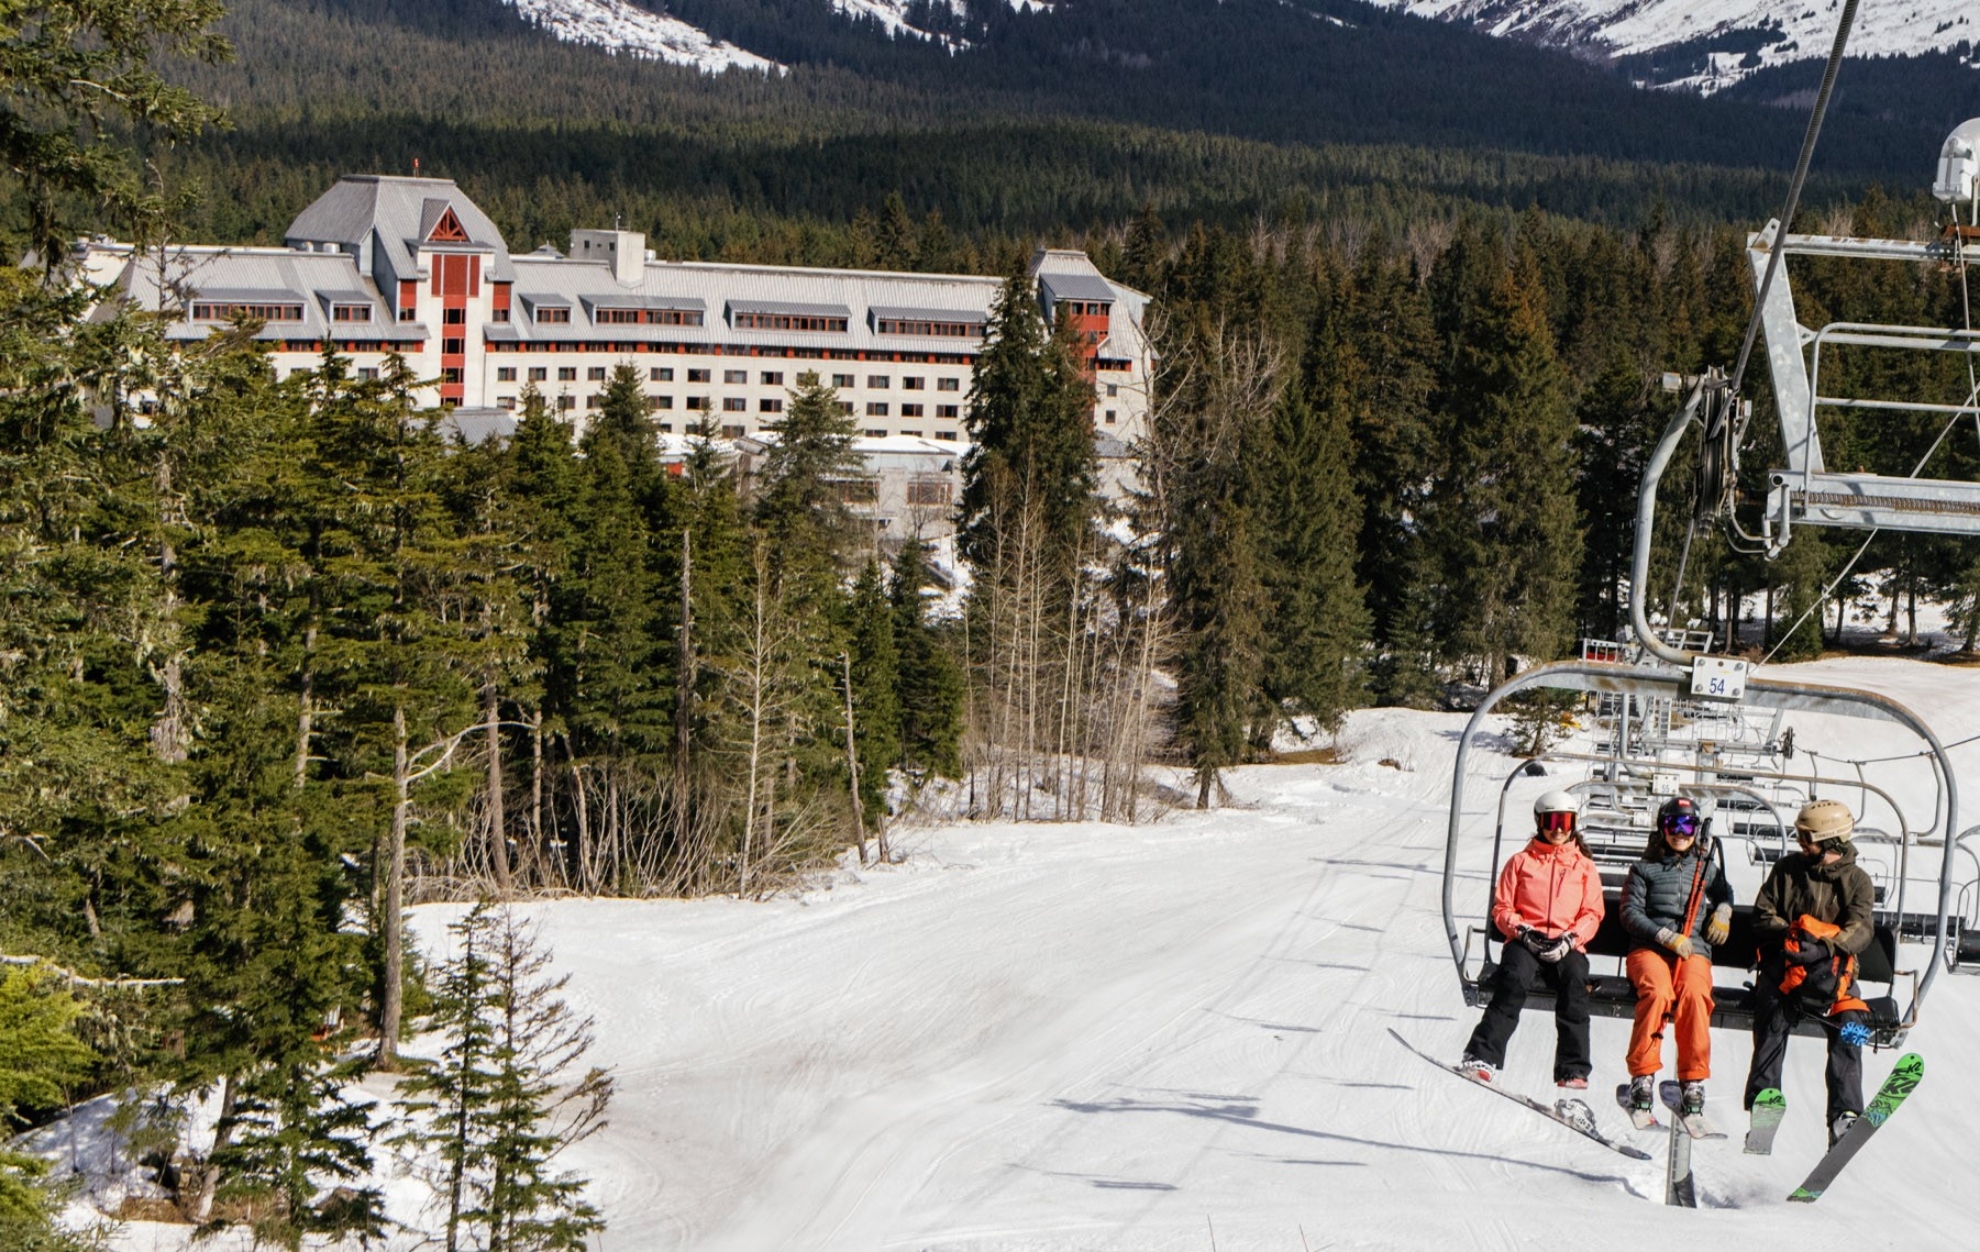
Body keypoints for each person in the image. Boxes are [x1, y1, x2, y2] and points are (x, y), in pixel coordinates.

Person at [1744, 798, 1876, 1147]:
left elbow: (1860, 929)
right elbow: (1762, 914)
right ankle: (1764, 1103)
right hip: (1787, 971)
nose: (1801, 844)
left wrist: (1827, 946)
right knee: (1771, 1018)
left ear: (1830, 840)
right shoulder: (1787, 870)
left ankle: (1845, 1114)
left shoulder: (1858, 881)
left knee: (1853, 1028)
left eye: (1807, 838)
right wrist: (1791, 936)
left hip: (1835, 975)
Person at [1460, 790, 1605, 1090]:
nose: (1559, 828)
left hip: (1566, 943)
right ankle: (1482, 1055)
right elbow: (1502, 908)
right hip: (1526, 942)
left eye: (1565, 820)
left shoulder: (1584, 867)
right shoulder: (1520, 862)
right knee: (1512, 979)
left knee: (1575, 983)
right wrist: (1523, 931)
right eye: (1552, 820)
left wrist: (1570, 938)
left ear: (1574, 822)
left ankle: (1572, 1068)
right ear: (1539, 821)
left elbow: (1593, 912)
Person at [1620, 795, 1733, 1117]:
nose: (1681, 833)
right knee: (1658, 994)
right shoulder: (1644, 869)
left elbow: (1724, 892)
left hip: (1692, 949)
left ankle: (1692, 1079)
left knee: (1695, 995)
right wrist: (1664, 935)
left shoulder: (1705, 867)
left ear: (1697, 830)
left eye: (1688, 826)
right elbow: (1630, 913)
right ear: (1662, 828)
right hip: (1650, 948)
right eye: (1674, 825)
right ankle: (1642, 1074)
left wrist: (1723, 910)